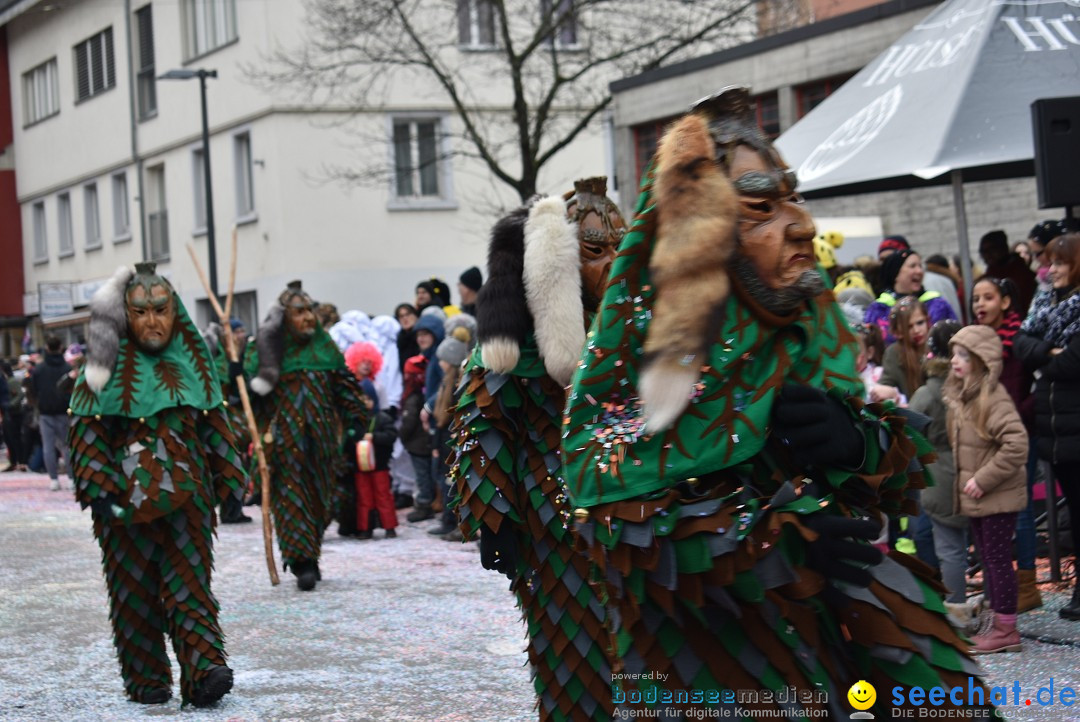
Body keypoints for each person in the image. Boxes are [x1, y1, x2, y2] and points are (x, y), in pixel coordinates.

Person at [560, 88, 988, 717]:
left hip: (836, 651)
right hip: (700, 674)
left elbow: (890, 480)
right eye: (762, 206)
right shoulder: (634, 363)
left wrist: (854, 439)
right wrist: (774, 545)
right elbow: (614, 522)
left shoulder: (800, 342)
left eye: (794, 199)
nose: (801, 225)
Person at [450, 176, 623, 722]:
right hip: (555, 525)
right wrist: (493, 518)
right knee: (572, 647)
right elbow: (483, 423)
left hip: (640, 520)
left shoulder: (633, 330)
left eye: (621, 250)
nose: (612, 265)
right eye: (595, 252)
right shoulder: (518, 344)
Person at [68, 263, 245, 706]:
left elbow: (214, 423)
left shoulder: (194, 364)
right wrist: (99, 492)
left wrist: (229, 477)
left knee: (190, 583)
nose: (152, 321)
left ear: (174, 311)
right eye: (141, 311)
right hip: (125, 504)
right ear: (125, 315)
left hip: (189, 497)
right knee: (134, 591)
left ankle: (205, 670)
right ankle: (147, 679)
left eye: (161, 310)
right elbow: (88, 433)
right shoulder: (100, 372)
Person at [246, 280, 368, 590]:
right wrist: (240, 377)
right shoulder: (268, 351)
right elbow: (249, 393)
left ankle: (311, 552)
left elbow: (344, 385)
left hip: (324, 444)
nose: (308, 318)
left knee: (322, 501)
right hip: (285, 445)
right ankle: (302, 563)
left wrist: (355, 419)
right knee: (291, 500)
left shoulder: (325, 347)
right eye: (299, 312)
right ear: (285, 317)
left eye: (309, 311)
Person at [945, 325, 1029, 653]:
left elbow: (1016, 443)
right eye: (954, 353)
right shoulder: (965, 396)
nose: (955, 361)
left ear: (982, 362)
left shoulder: (992, 398)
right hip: (980, 496)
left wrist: (983, 479)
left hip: (996, 494)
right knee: (988, 557)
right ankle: (996, 621)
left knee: (996, 558)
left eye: (964, 356)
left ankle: (1006, 628)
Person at [1015, 230, 1080, 621]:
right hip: (1055, 431)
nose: (1050, 269)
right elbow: (1021, 347)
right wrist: (1047, 353)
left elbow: (1072, 363)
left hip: (1076, 427)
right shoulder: (1043, 302)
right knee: (1073, 507)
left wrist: (1045, 357)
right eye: (1049, 261)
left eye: (1059, 262)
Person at [971, 275, 1040, 612]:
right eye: (976, 299)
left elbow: (1035, 387)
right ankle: (997, 585)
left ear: (1005, 302)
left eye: (988, 297)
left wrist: (1017, 415)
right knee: (988, 511)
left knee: (1021, 509)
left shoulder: (1019, 340)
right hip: (985, 439)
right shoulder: (975, 343)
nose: (980, 305)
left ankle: (1027, 583)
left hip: (1018, 434)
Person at [909, 321, 968, 616]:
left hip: (939, 475)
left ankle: (954, 609)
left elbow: (906, 432)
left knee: (949, 548)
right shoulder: (971, 385)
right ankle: (993, 608)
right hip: (972, 471)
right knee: (977, 547)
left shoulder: (928, 392)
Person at [427, 313, 476, 540]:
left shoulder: (455, 386)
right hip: (445, 442)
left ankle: (454, 522)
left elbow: (447, 419)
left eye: (442, 359)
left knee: (451, 483)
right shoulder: (447, 383)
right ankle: (449, 520)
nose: (439, 363)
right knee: (446, 481)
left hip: (452, 443)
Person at [864, 248, 958, 344]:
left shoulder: (937, 304)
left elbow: (954, 337)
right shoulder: (879, 308)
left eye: (920, 266)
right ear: (895, 274)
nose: (919, 271)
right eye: (912, 266)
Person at [404, 314, 444, 522]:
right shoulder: (431, 357)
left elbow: (448, 385)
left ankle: (448, 516)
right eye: (418, 334)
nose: (421, 338)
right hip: (435, 415)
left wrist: (429, 406)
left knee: (441, 468)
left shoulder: (439, 357)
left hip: (440, 416)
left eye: (425, 334)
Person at [352, 379, 398, 540]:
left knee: (383, 496)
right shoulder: (355, 420)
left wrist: (375, 437)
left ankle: (389, 526)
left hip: (379, 465)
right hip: (360, 466)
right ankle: (365, 528)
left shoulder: (382, 418)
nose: (366, 403)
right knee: (364, 498)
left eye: (368, 399)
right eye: (362, 399)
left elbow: (391, 436)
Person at [28, 335, 72, 491]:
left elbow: (32, 389)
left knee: (48, 447)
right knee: (67, 446)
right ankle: (71, 479)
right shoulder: (67, 368)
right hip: (64, 411)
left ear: (46, 348)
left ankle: (54, 479)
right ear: (61, 348)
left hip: (45, 412)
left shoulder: (39, 369)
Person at [871, 296, 928, 403]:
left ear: (927, 320)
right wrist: (891, 393)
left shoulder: (935, 344)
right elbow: (885, 385)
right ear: (898, 332)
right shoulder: (894, 352)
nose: (916, 330)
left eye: (920, 323)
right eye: (909, 327)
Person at [398, 354, 430, 513]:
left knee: (422, 475)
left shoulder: (413, 397)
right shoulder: (426, 392)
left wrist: (402, 436)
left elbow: (408, 421)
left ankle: (424, 504)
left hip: (418, 444)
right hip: (424, 442)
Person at [979, 230, 1037, 317]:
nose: (987, 255)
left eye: (991, 250)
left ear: (1003, 248)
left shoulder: (1021, 273)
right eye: (983, 252)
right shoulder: (989, 273)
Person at [1, 361, 27, 471]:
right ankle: (14, 461)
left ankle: (20, 461)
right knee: (9, 438)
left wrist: (10, 405)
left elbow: (20, 394)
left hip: (14, 413)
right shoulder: (6, 381)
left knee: (15, 438)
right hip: (8, 413)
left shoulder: (12, 381)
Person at [394, 303, 420, 373]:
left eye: (408, 314)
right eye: (401, 316)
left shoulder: (422, 336)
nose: (405, 318)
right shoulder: (400, 340)